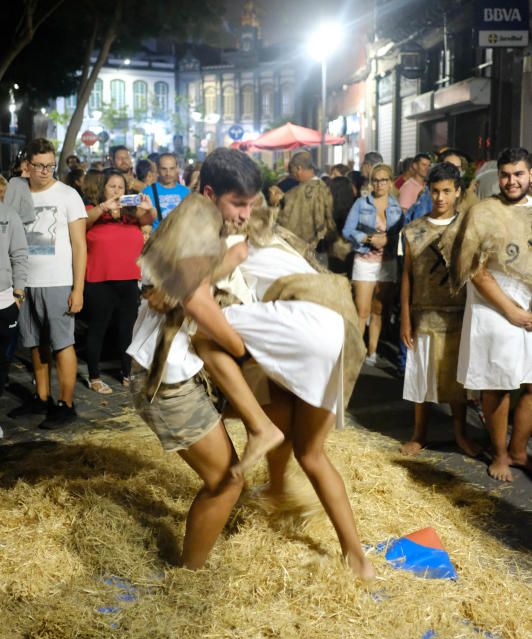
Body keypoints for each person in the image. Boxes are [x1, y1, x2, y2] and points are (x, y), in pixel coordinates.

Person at [131, 149, 374, 580]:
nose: (245, 214)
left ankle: (270, 466)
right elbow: (197, 302)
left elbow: (194, 281)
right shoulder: (195, 221)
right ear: (210, 193)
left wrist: (235, 258)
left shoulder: (205, 218)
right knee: (226, 481)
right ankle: (188, 577)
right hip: (166, 377)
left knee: (272, 412)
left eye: (250, 204)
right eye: (238, 204)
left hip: (186, 370)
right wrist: (241, 350)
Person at [451, 147, 532, 482]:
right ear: (498, 176)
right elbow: (474, 268)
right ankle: (499, 454)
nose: (511, 181)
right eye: (505, 174)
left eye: (518, 174)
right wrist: (512, 311)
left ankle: (518, 449)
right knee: (497, 383)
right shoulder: (483, 212)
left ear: (530, 175)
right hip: (493, 309)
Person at [400, 163, 480, 457]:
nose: (441, 197)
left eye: (447, 191)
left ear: (458, 192)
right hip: (424, 311)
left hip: (460, 313)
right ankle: (419, 433)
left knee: (457, 379)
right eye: (435, 191)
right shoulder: (413, 230)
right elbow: (407, 275)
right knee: (422, 377)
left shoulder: (467, 228)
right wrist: (405, 319)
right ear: (428, 192)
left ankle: (461, 433)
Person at [7, 138, 87, 429]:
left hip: (58, 282)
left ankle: (66, 403)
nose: (45, 171)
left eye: (50, 166)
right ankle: (41, 398)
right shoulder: (17, 195)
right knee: (34, 343)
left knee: (62, 343)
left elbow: (80, 245)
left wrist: (78, 288)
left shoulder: (68, 195)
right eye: (39, 166)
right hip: (24, 283)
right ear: (27, 165)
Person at [84, 169, 154, 394]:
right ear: (103, 188)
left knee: (127, 329)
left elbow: (149, 219)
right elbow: (82, 224)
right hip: (98, 279)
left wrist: (148, 207)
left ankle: (126, 373)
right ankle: (94, 376)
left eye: (121, 187)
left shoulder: (130, 216)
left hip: (129, 280)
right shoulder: (90, 210)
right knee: (98, 328)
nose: (117, 190)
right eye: (112, 186)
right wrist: (104, 207)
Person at [343, 163, 403, 365]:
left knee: (379, 310)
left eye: (383, 180)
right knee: (362, 310)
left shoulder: (396, 206)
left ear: (390, 182)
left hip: (387, 262)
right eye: (375, 180)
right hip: (365, 260)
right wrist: (369, 239)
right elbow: (347, 230)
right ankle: (356, 353)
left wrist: (389, 241)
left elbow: (401, 236)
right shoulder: (362, 203)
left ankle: (372, 352)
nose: (379, 184)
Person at [276, 150, 336, 258]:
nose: (294, 177)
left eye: (293, 173)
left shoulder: (293, 194)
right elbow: (330, 220)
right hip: (322, 249)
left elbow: (283, 222)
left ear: (299, 168)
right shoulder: (325, 188)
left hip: (298, 251)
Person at [0, 200, 28, 395]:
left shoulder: (8, 214)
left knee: (2, 362)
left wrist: (18, 292)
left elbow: (19, 254)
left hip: (4, 300)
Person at [143, 152, 190, 232]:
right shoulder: (148, 191)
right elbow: (142, 220)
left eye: (172, 168)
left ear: (177, 168)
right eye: (164, 169)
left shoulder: (186, 192)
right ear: (158, 169)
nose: (168, 173)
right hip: (157, 241)